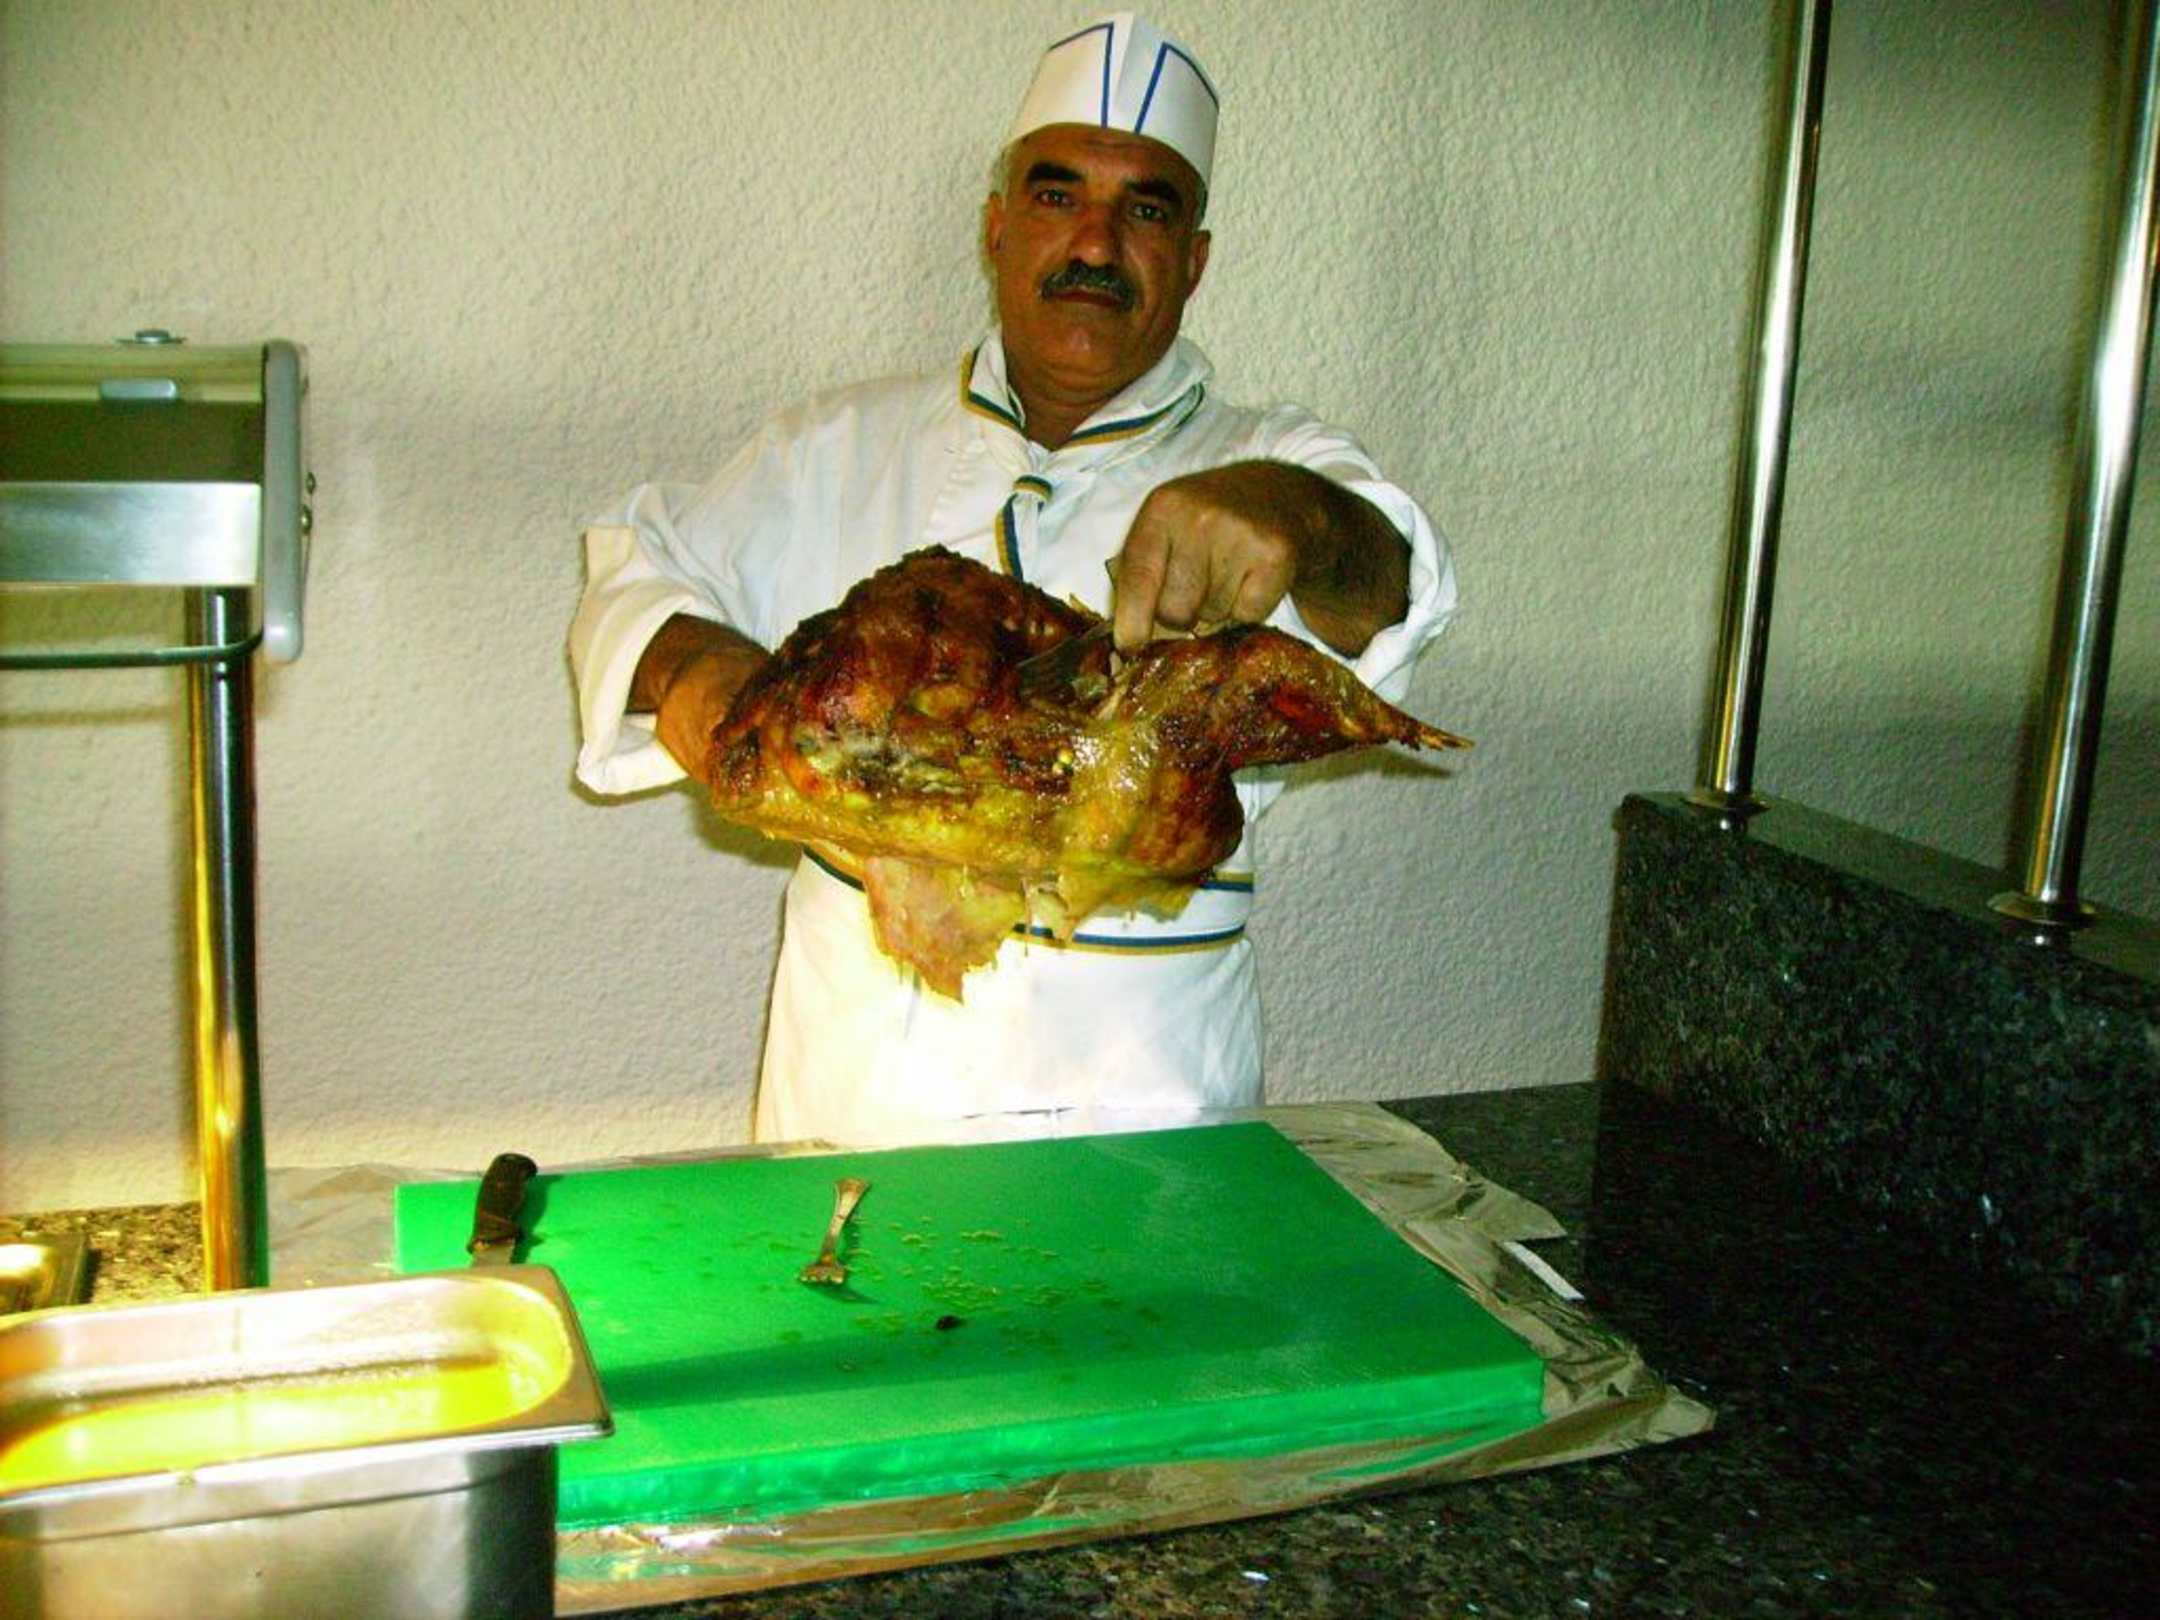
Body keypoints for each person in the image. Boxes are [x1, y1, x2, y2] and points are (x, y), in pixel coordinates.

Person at [569, 13, 1457, 1146]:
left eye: (1146, 209)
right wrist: (716, 689)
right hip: (854, 1107)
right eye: (1056, 194)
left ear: (1193, 261)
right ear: (996, 229)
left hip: (1147, 1112)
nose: (1095, 242)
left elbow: (1393, 583)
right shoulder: (836, 445)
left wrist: (1297, 514)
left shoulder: (1273, 460)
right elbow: (640, 571)